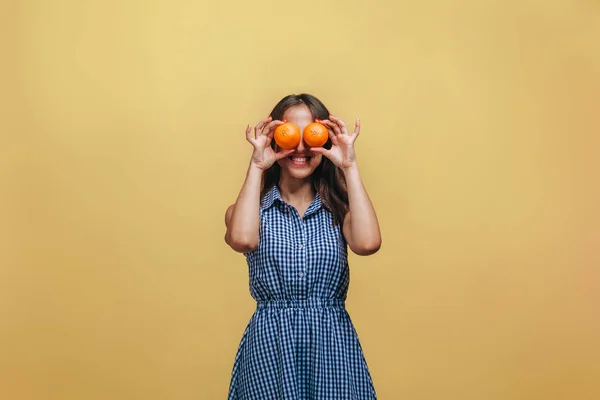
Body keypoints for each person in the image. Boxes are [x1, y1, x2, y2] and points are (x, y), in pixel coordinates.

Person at [224, 93, 381, 399]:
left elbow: (368, 243)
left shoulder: (341, 211)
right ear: (274, 140)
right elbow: (241, 239)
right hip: (270, 347)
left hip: (331, 346)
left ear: (325, 140)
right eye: (289, 135)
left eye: (311, 136)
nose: (299, 148)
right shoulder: (250, 211)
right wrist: (256, 166)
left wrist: (349, 166)